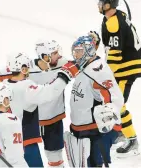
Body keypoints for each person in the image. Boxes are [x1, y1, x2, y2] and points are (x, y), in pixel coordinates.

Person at [0, 51, 80, 167]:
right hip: (23, 144)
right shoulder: (25, 87)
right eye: (27, 67)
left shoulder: (2, 86)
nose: (29, 70)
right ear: (22, 69)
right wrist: (64, 76)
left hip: (3, 148)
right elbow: (50, 92)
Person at [64, 36, 124, 167]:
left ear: (89, 51)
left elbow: (115, 97)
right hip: (82, 128)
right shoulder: (85, 65)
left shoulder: (99, 71)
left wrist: (109, 111)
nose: (76, 54)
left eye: (79, 51)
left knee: (93, 164)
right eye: (75, 51)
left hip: (93, 131)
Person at [97, 0, 141, 156]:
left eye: (102, 2)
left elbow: (115, 54)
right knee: (114, 101)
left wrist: (106, 73)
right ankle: (121, 131)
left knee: (118, 103)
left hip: (126, 68)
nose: (99, 4)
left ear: (109, 5)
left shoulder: (114, 23)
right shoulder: (116, 17)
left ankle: (132, 138)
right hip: (127, 65)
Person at [29, 40, 67, 167]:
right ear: (45, 57)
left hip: (53, 119)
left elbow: (84, 63)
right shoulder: (27, 70)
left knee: (55, 156)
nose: (59, 55)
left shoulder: (63, 64)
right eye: (54, 53)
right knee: (27, 156)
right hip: (30, 121)